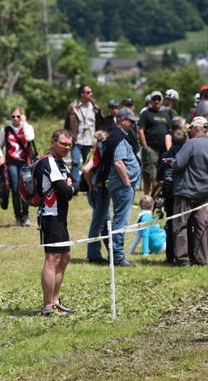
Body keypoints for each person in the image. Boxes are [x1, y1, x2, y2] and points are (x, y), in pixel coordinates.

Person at [171, 116, 208, 267]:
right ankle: (201, 259)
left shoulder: (191, 143)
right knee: (201, 226)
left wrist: (172, 162)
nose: (189, 131)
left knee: (180, 225)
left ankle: (183, 259)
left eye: (191, 129)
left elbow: (179, 164)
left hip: (186, 191)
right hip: (203, 192)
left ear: (195, 128)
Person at [38, 129, 78, 316]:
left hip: (61, 217)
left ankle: (55, 300)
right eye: (63, 143)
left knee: (65, 257)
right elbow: (65, 192)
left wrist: (70, 186)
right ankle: (47, 307)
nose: (66, 148)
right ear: (53, 142)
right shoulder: (49, 162)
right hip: (50, 216)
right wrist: (69, 186)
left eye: (69, 145)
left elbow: (75, 185)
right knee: (52, 259)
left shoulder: (60, 163)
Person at [108, 107, 142, 267]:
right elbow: (118, 162)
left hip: (123, 186)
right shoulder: (118, 137)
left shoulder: (119, 135)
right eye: (130, 121)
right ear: (122, 120)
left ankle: (116, 254)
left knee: (120, 220)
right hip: (122, 186)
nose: (132, 124)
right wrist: (128, 183)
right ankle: (118, 257)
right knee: (121, 221)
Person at [0, 106, 35, 227]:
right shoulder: (6, 130)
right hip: (12, 162)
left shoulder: (27, 128)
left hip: (25, 162)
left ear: (22, 116)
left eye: (18, 116)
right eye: (13, 116)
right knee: (16, 190)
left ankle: (26, 215)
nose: (15, 119)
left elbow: (29, 138)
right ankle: (18, 217)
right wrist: (1, 156)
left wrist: (24, 123)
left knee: (26, 189)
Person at [64, 84, 106, 183]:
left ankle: (88, 185)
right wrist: (68, 137)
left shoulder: (95, 107)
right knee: (75, 162)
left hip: (91, 140)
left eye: (90, 92)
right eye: (88, 92)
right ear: (82, 94)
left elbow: (101, 123)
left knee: (89, 163)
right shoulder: (73, 107)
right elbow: (67, 124)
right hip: (76, 139)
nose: (91, 94)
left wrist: (99, 137)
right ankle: (75, 186)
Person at [157, 129, 187, 265]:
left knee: (170, 222)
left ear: (172, 140)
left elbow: (159, 175)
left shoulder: (165, 154)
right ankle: (184, 254)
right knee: (183, 222)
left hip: (168, 191)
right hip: (182, 191)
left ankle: (170, 256)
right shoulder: (186, 154)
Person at [82, 130, 110, 265]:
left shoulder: (92, 151)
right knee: (98, 223)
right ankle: (94, 255)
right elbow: (86, 169)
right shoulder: (96, 153)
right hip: (99, 190)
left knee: (106, 222)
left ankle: (113, 252)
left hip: (98, 190)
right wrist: (91, 185)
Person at [138, 90, 171, 195]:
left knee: (159, 174)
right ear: (151, 100)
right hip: (151, 148)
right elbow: (141, 130)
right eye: (154, 99)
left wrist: (169, 148)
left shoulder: (166, 114)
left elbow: (169, 131)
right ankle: (149, 197)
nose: (156, 101)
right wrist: (145, 146)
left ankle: (154, 196)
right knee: (150, 174)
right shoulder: (146, 113)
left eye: (158, 99)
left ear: (162, 101)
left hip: (163, 149)